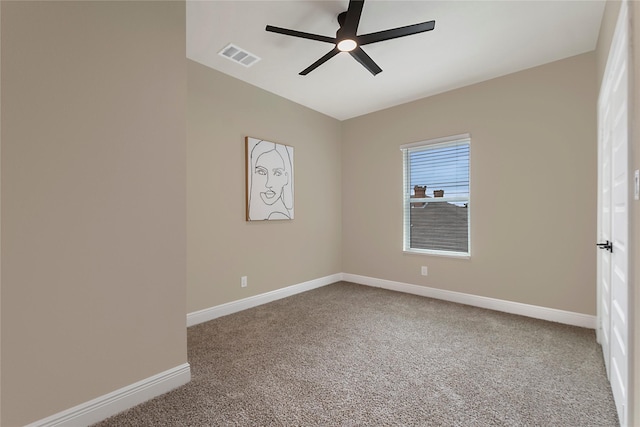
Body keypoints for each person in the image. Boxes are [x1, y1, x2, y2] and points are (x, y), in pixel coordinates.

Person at [247, 139, 294, 220]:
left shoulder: (278, 216)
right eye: (261, 172)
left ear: (286, 178)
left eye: (277, 173)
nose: (268, 184)